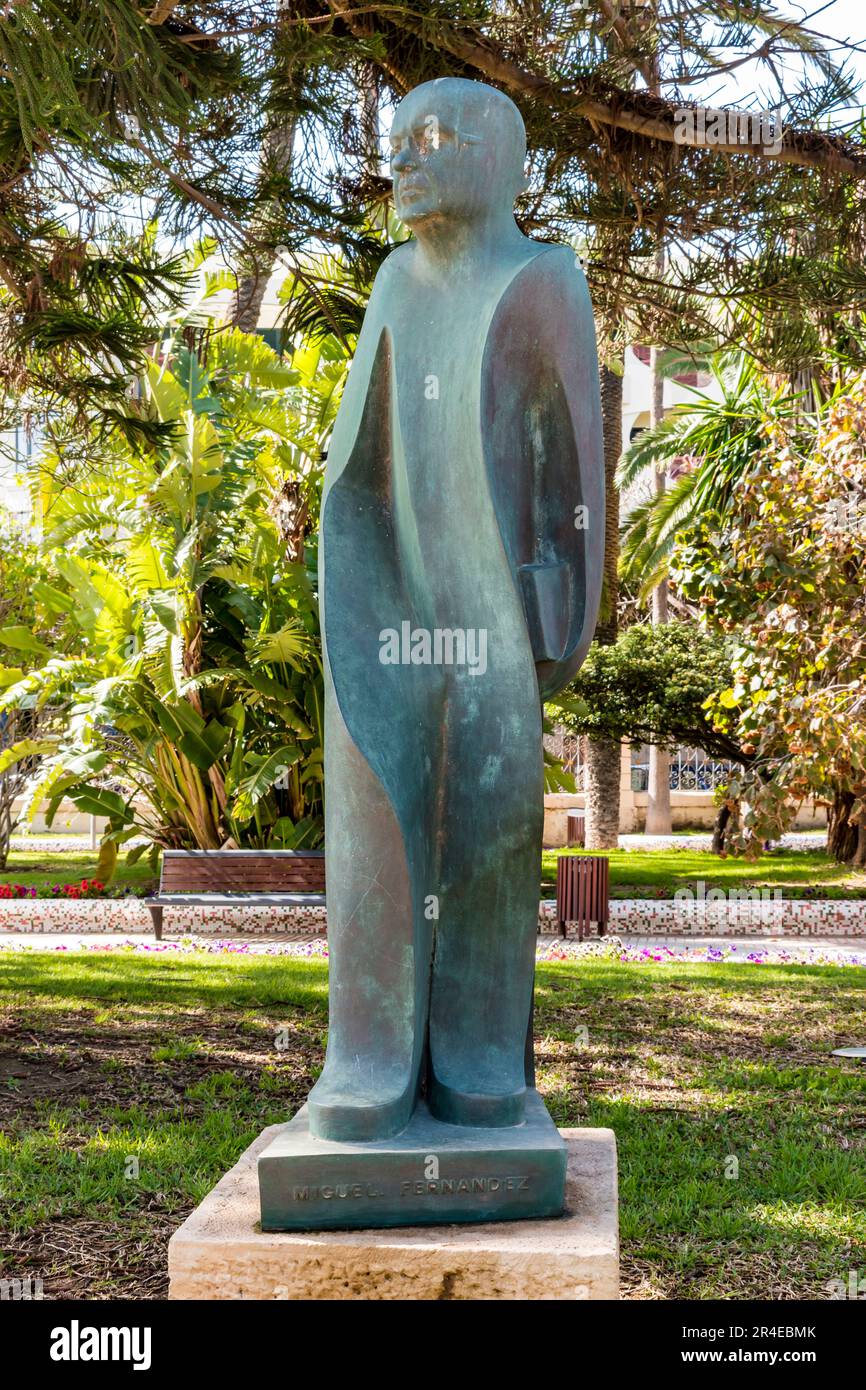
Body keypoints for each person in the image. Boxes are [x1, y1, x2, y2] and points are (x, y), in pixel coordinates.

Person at [309, 77, 603, 1142]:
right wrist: (352, 589)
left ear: (500, 160)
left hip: (493, 610)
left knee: (489, 824)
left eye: (431, 141)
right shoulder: (395, 283)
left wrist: (561, 596)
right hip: (391, 592)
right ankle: (370, 1060)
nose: (405, 161)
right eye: (396, 143)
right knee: (376, 815)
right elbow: (357, 462)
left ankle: (481, 1054)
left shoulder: (544, 279)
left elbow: (576, 460)